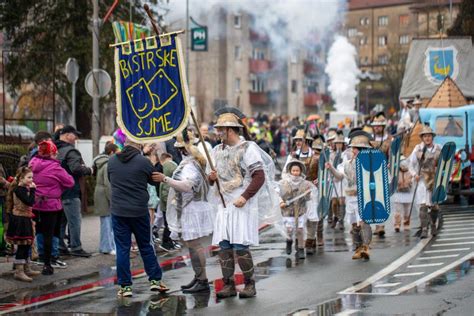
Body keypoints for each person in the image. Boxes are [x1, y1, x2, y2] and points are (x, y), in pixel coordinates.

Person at [209, 109, 277, 299]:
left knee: (240, 246)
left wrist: (245, 197)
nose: (218, 133)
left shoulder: (248, 148)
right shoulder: (216, 150)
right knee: (224, 247)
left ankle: (249, 284)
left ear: (230, 130)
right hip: (224, 204)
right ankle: (228, 285)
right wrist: (211, 178)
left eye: (221, 129)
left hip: (241, 203)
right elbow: (211, 179)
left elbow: (259, 175)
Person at [154, 132, 214, 293]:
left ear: (182, 149)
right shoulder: (193, 163)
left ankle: (202, 279)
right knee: (193, 246)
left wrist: (165, 179)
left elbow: (187, 186)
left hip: (192, 208)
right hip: (191, 207)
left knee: (195, 246)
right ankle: (199, 277)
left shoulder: (190, 166)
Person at [108, 139, 169, 297]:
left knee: (122, 249)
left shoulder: (112, 160)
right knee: (146, 246)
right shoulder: (143, 161)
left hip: (118, 210)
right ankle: (155, 280)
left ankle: (125, 287)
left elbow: (111, 179)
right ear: (139, 145)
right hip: (139, 210)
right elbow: (153, 180)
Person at [326, 131, 373, 260]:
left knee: (364, 222)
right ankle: (358, 248)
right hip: (351, 198)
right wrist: (331, 168)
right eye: (357, 149)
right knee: (354, 224)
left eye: (361, 149)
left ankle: (366, 248)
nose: (358, 151)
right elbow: (339, 176)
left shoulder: (370, 163)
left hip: (364, 197)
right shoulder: (346, 164)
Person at [29, 141, 75, 275]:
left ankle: (38, 256)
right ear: (51, 153)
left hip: (35, 204)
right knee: (51, 234)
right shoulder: (55, 168)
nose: (57, 156)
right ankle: (48, 264)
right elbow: (70, 182)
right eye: (55, 153)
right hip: (51, 205)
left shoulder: (32, 163)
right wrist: (59, 187)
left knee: (37, 231)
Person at [55, 125, 93, 257]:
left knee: (61, 222)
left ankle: (60, 246)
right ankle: (76, 247)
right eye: (73, 134)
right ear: (66, 135)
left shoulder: (55, 149)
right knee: (75, 221)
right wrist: (89, 170)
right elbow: (76, 168)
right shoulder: (71, 151)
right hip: (70, 191)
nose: (76, 137)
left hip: (57, 192)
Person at [5, 167, 41, 281]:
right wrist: (33, 190)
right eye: (29, 177)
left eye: (32, 177)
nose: (31, 180)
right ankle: (19, 272)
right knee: (22, 245)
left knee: (26, 245)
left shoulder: (24, 188)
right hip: (20, 219)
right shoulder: (19, 189)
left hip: (25, 218)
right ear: (21, 178)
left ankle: (26, 267)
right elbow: (29, 201)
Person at [407, 125, 442, 238]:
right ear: (422, 138)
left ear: (432, 137)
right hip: (422, 180)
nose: (427, 138)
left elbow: (444, 165)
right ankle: (424, 228)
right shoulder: (418, 149)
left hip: (434, 181)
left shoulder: (438, 149)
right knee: (423, 205)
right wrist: (414, 174)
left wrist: (441, 173)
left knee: (434, 206)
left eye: (429, 136)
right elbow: (410, 164)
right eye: (425, 136)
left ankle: (432, 225)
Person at [279, 159, 314, 259]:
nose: (295, 173)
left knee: (300, 230)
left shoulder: (306, 183)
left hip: (301, 211)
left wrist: (308, 194)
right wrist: (280, 202)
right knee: (289, 230)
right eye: (293, 170)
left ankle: (301, 248)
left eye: (297, 171)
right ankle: (289, 242)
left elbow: (308, 199)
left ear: (300, 171)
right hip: (288, 211)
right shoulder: (283, 183)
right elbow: (277, 194)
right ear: (290, 171)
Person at [369, 112, 392, 237]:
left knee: (382, 200)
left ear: (383, 127)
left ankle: (381, 225)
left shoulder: (389, 140)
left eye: (379, 126)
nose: (377, 127)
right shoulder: (369, 140)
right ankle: (377, 225)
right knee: (373, 200)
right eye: (375, 126)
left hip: (383, 172)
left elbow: (393, 157)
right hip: (371, 173)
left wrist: (390, 164)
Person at [93, 142, 118, 255]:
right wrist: (113, 200)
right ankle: (107, 247)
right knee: (107, 223)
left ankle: (105, 246)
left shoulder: (100, 162)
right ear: (111, 152)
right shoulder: (108, 164)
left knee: (105, 222)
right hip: (105, 196)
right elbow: (108, 185)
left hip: (100, 194)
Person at [304, 135, 323, 254]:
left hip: (317, 189)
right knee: (306, 216)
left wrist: (320, 180)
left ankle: (311, 239)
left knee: (314, 215)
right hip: (305, 188)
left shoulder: (322, 158)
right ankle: (309, 239)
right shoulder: (303, 156)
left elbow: (326, 174)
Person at [158, 153, 179, 252]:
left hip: (168, 202)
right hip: (168, 204)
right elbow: (166, 191)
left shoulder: (167, 170)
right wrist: (171, 202)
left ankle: (170, 241)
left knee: (170, 223)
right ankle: (166, 242)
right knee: (168, 224)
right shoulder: (170, 169)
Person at [329, 133, 347, 230]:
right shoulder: (331, 154)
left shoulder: (346, 154)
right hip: (333, 180)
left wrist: (341, 174)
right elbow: (329, 165)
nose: (339, 145)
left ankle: (341, 220)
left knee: (342, 201)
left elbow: (346, 166)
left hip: (342, 179)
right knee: (334, 203)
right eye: (337, 143)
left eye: (341, 143)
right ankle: (335, 216)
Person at [392, 157, 413, 232]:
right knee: (397, 210)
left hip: (407, 192)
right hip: (398, 192)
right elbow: (393, 181)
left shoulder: (410, 171)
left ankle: (406, 224)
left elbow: (412, 181)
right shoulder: (396, 172)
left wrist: (409, 182)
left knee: (407, 210)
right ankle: (397, 224)